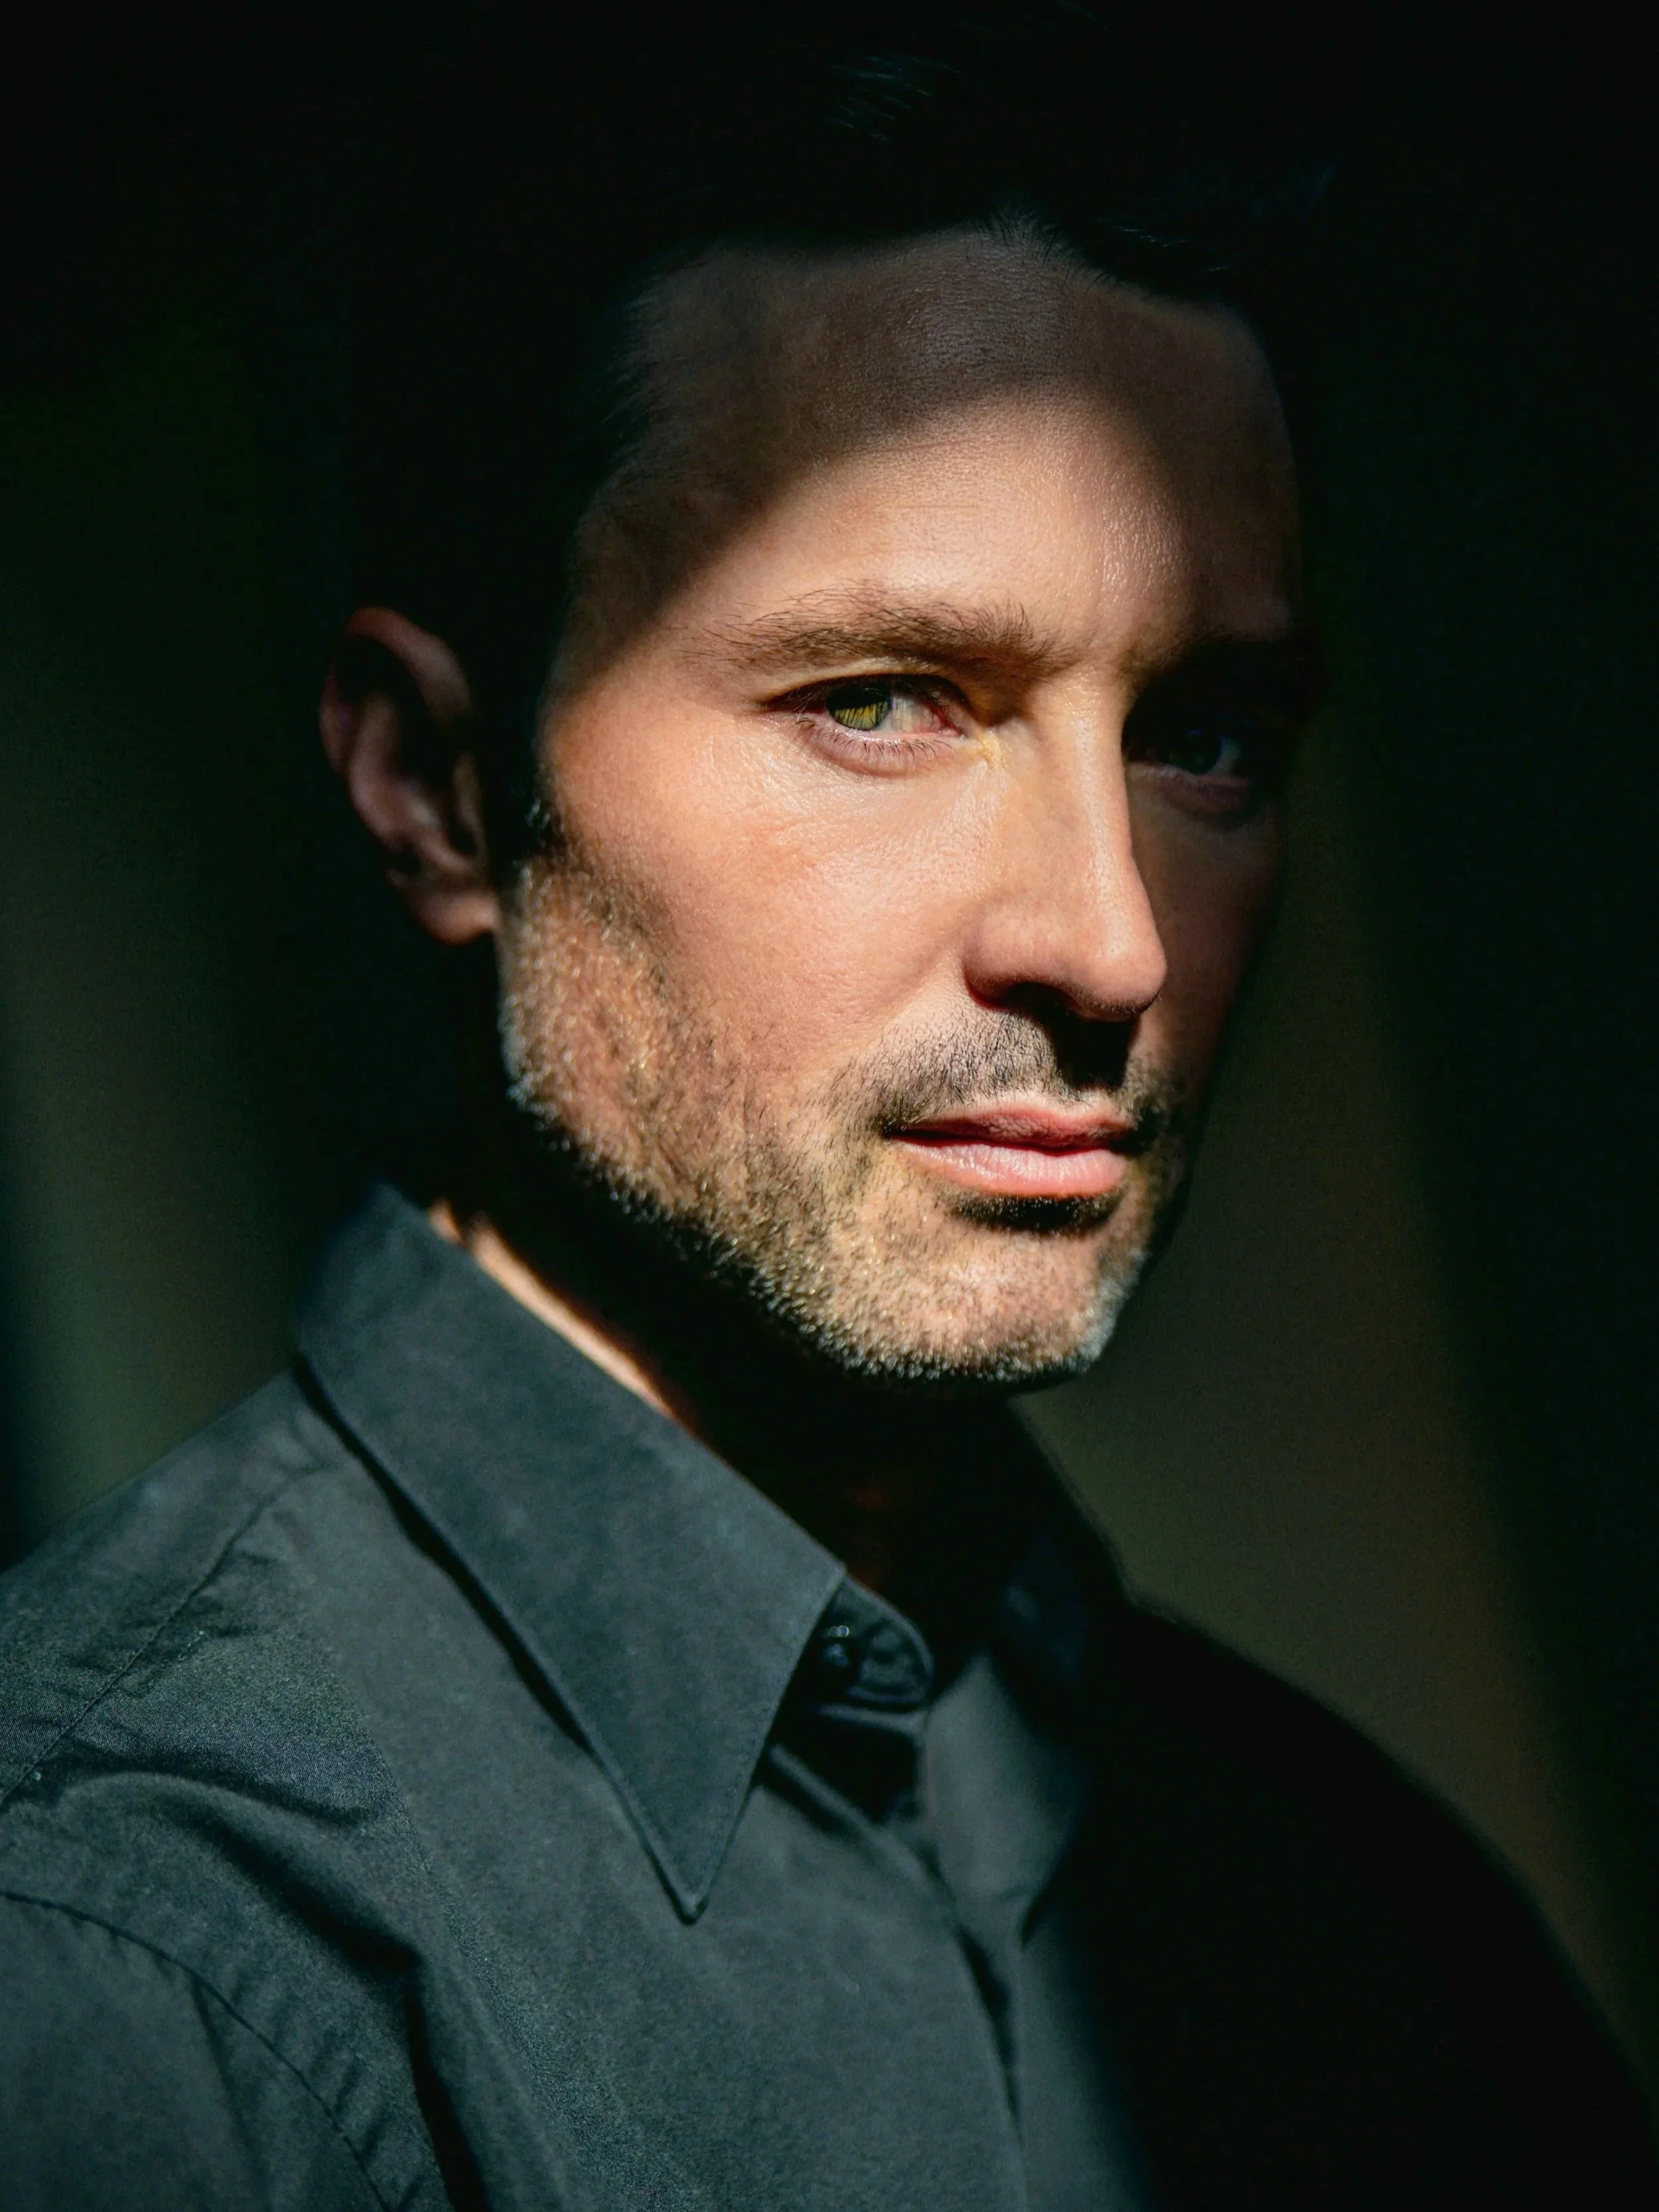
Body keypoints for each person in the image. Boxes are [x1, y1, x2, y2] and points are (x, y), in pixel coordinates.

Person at [1, 9, 1651, 2207]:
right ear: (436, 788)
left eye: (1206, 738)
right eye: (881, 701)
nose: (1111, 938)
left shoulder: (1352, 1919)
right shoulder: (123, 1956)